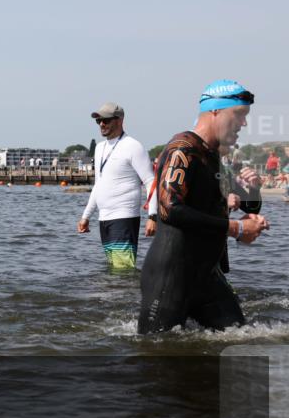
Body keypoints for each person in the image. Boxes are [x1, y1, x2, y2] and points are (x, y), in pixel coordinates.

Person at [138, 80, 269, 334]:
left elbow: (244, 203)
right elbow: (170, 209)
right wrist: (235, 228)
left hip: (206, 274)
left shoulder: (213, 156)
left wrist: (252, 192)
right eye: (239, 115)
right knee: (156, 356)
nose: (243, 124)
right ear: (216, 111)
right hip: (171, 277)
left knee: (241, 337)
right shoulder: (182, 149)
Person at [77, 103, 157, 269]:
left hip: (124, 217)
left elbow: (151, 181)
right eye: (98, 121)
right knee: (114, 269)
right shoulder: (99, 148)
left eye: (105, 120)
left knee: (123, 271)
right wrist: (86, 216)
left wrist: (152, 216)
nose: (101, 124)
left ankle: (126, 295)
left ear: (120, 120)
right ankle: (114, 295)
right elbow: (98, 185)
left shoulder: (133, 146)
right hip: (104, 218)